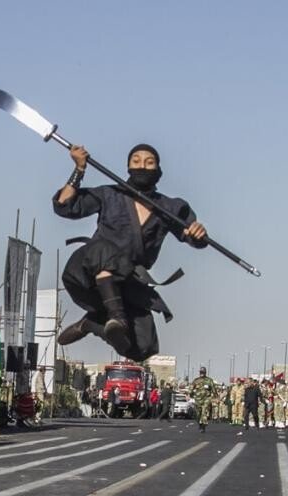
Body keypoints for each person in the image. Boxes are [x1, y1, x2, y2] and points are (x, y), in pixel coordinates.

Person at [53, 144, 208, 361]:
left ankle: (91, 323)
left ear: (158, 170)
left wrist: (198, 232)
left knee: (143, 348)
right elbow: (64, 206)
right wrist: (79, 169)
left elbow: (193, 236)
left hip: (127, 282)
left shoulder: (171, 207)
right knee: (105, 250)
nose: (142, 166)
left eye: (149, 162)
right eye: (136, 161)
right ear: (127, 167)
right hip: (86, 274)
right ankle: (117, 318)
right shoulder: (109, 194)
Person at [190, 367, 216, 432]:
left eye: (203, 372)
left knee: (204, 411)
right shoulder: (196, 380)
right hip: (198, 399)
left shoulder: (209, 380)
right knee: (198, 414)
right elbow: (191, 389)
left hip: (206, 399)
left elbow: (213, 389)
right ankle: (200, 424)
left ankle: (203, 426)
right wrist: (189, 395)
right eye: (201, 372)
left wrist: (216, 397)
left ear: (205, 373)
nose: (201, 373)